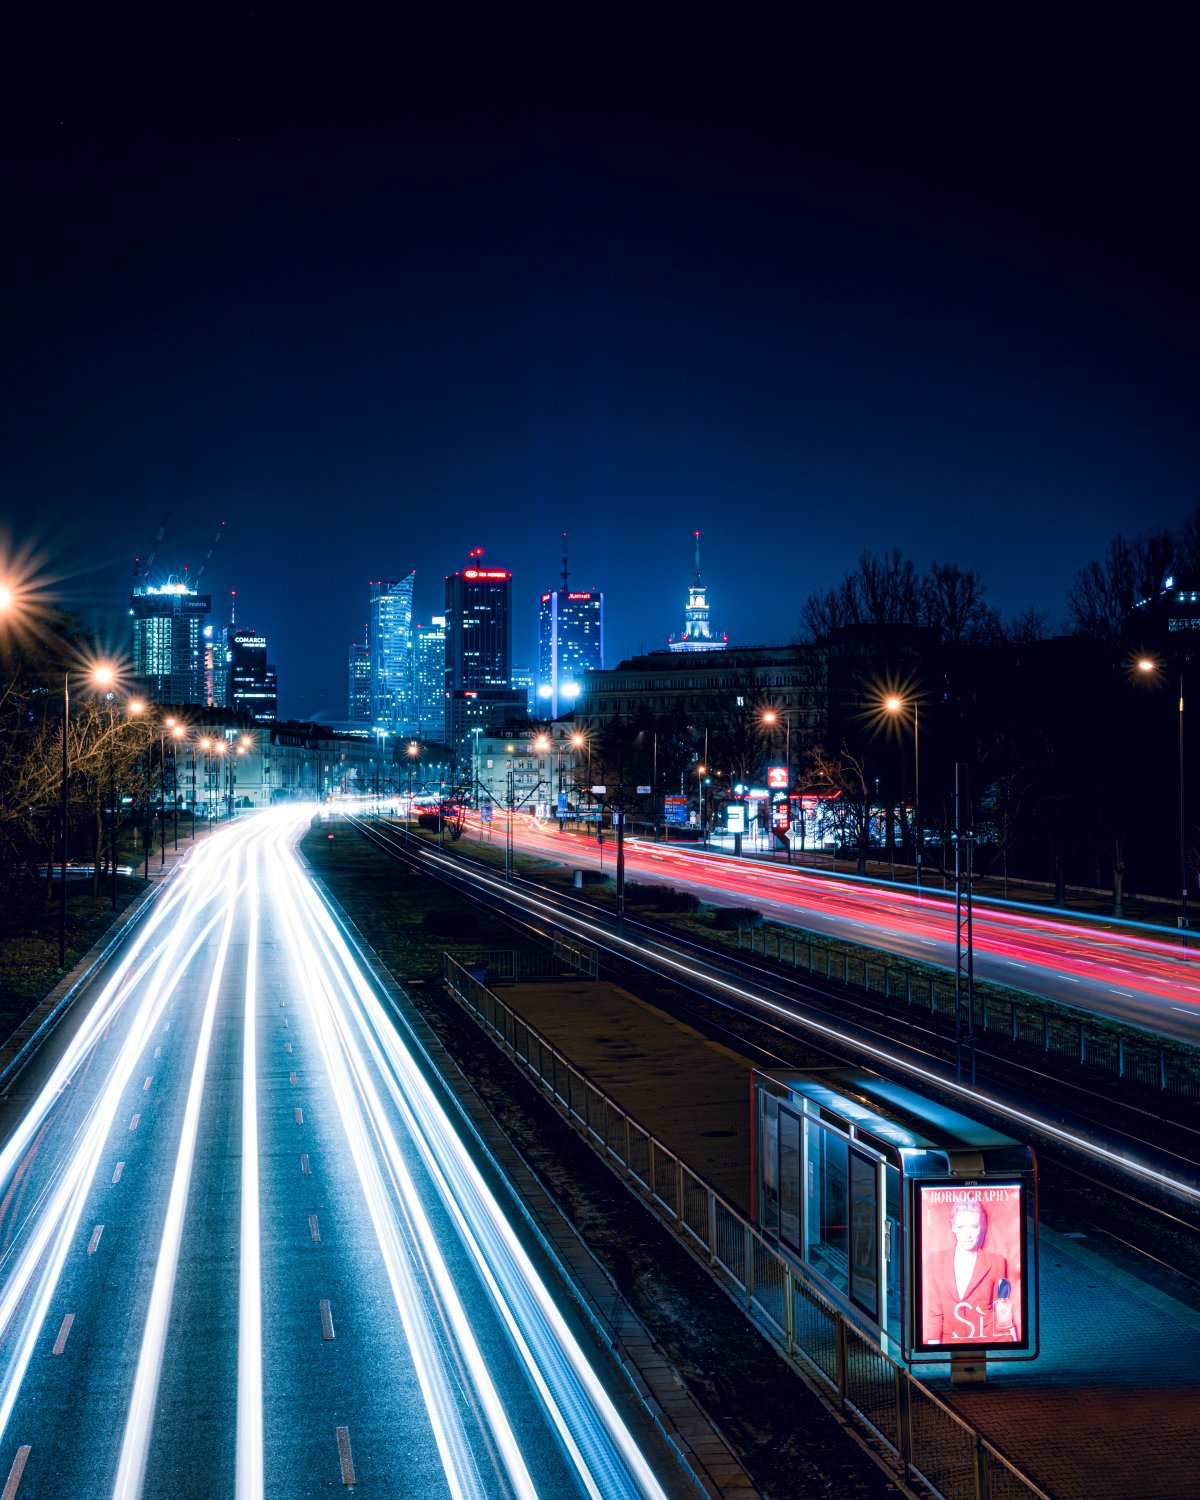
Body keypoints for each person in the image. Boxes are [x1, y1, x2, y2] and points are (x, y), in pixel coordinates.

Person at [922, 1196, 1017, 1345]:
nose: (968, 1235)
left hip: (988, 1337)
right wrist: (933, 1348)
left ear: (982, 1227)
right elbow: (934, 1310)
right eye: (961, 1227)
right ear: (953, 1227)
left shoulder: (996, 1262)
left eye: (974, 1226)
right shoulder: (935, 1261)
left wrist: (1011, 1339)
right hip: (951, 1338)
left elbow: (1001, 1304)